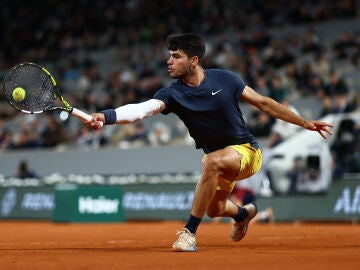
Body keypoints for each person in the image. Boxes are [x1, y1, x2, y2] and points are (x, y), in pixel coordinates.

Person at [85, 33, 333, 252]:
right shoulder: (172, 94)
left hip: (247, 153)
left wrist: (304, 123)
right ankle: (245, 213)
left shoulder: (225, 79)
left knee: (211, 163)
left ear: (193, 61)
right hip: (217, 159)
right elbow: (141, 110)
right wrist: (106, 117)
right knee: (215, 209)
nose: (169, 61)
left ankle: (189, 233)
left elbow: (264, 103)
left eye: (176, 56)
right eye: (169, 56)